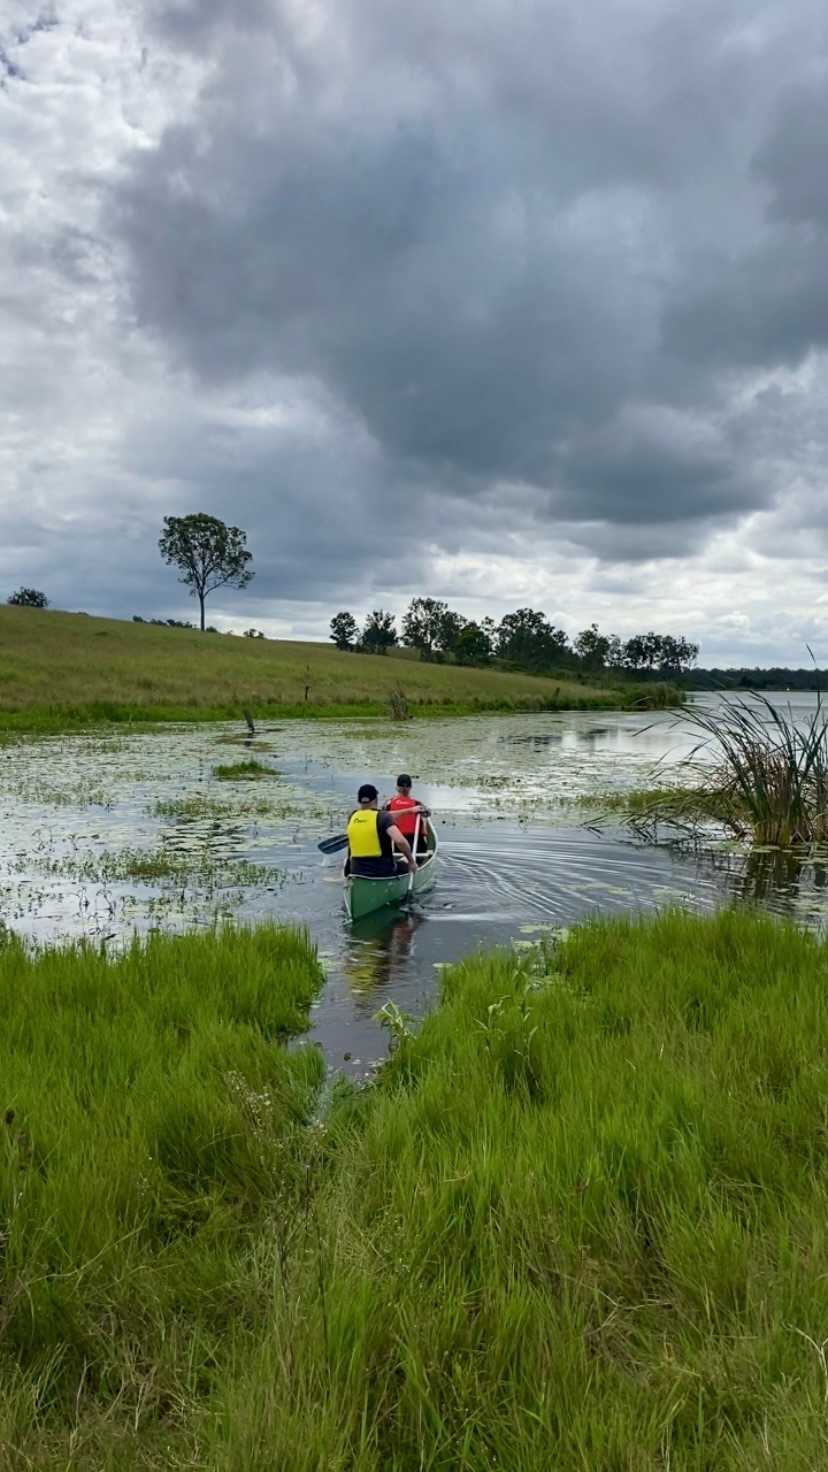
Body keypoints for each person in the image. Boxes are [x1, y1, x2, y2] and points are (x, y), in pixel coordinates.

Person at [346, 783, 417, 878]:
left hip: (356, 871)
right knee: (405, 860)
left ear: (359, 800)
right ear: (375, 799)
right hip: (382, 872)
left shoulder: (352, 817)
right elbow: (400, 841)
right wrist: (411, 862)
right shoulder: (383, 816)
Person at [385, 774, 430, 852]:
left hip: (396, 842)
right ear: (410, 787)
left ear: (397, 787)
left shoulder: (388, 804)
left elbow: (381, 816)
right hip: (416, 844)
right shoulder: (417, 804)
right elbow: (428, 813)